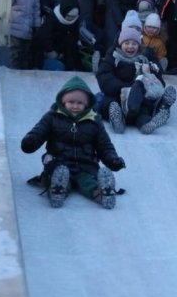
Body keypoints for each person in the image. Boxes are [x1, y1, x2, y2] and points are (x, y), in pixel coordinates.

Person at [21, 75, 126, 209]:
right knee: (57, 176)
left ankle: (103, 194)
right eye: (71, 102)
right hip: (59, 163)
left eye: (80, 103)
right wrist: (31, 141)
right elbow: (39, 131)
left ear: (87, 104)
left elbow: (104, 145)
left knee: (89, 182)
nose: (75, 106)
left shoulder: (94, 121)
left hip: (86, 165)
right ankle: (57, 191)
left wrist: (113, 160)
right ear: (63, 101)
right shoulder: (52, 117)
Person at [97, 27, 177, 135]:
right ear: (121, 44)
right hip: (118, 94)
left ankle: (147, 124)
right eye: (127, 43)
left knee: (144, 107)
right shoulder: (113, 57)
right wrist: (124, 88)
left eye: (134, 44)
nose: (130, 46)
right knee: (109, 102)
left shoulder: (144, 59)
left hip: (138, 97)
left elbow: (159, 81)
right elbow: (104, 76)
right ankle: (117, 120)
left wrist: (149, 73)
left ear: (139, 45)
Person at [34, 0, 86, 72]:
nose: (70, 19)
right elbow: (42, 37)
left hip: (65, 54)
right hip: (48, 53)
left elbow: (73, 41)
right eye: (69, 16)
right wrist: (50, 50)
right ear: (64, 12)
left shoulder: (75, 23)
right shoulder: (52, 19)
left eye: (73, 17)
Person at [10, 0, 42, 69]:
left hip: (27, 30)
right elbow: (9, 1)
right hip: (14, 28)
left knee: (25, 54)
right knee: (15, 53)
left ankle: (23, 71)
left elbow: (36, 10)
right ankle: (14, 71)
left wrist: (37, 26)